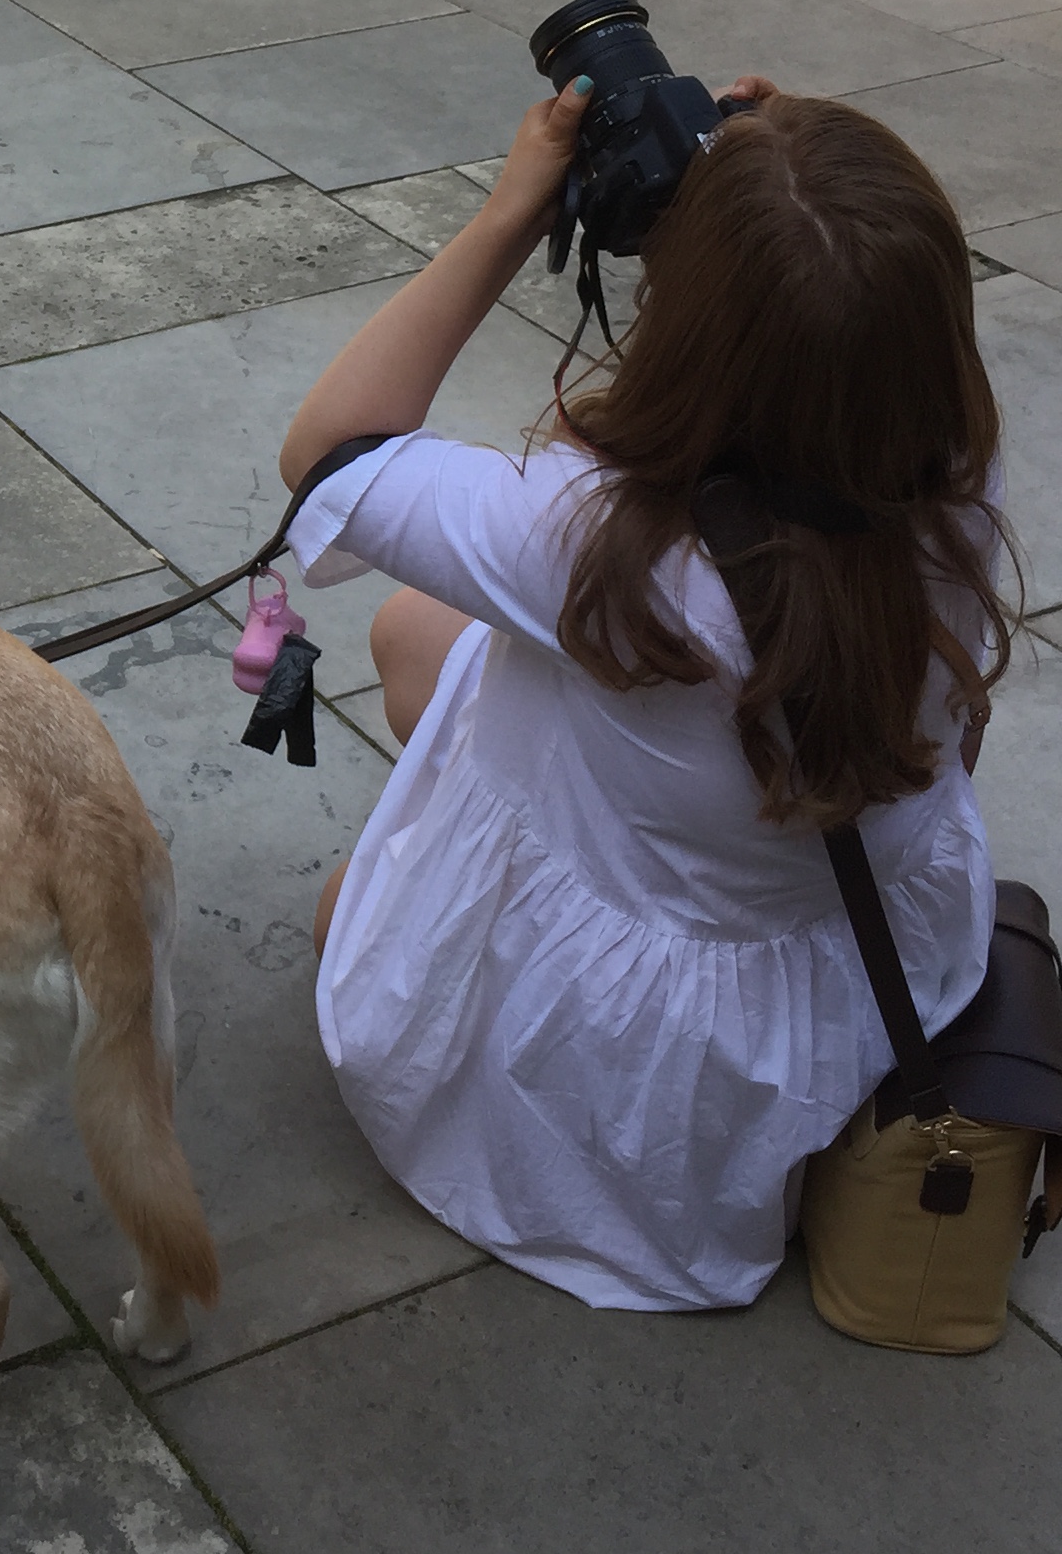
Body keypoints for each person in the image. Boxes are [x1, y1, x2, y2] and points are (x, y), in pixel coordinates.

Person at [277, 72, 1015, 1314]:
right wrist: (794, 177)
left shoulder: (592, 539)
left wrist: (517, 207)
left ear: (689, 324)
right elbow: (837, 326)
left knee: (343, 917)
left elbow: (330, 456)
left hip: (658, 1061)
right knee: (419, 635)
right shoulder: (956, 467)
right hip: (853, 946)